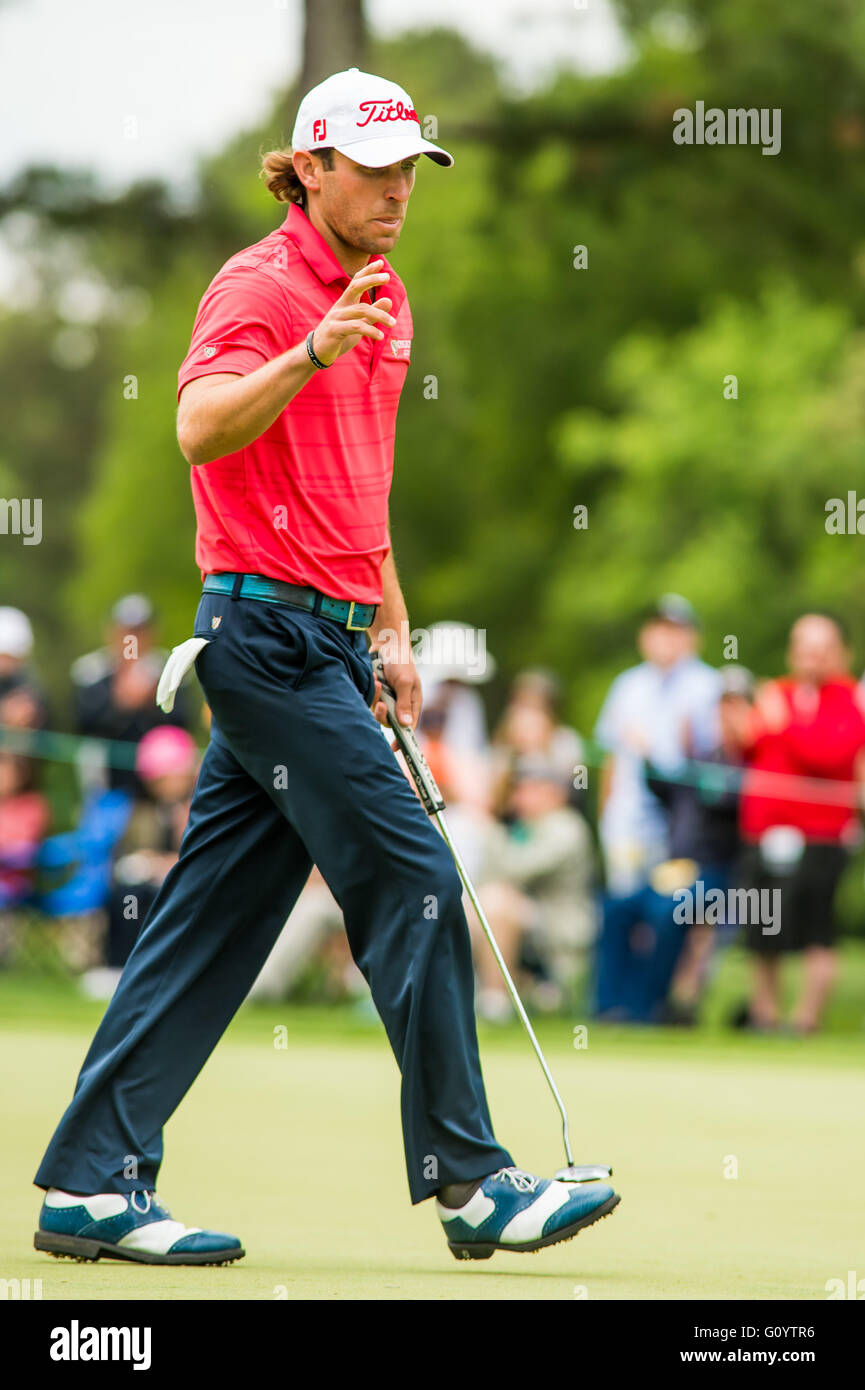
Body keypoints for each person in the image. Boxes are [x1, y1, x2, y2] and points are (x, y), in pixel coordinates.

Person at [33, 67, 618, 1266]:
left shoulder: (387, 296)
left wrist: (391, 636)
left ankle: (91, 1184)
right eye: (377, 165)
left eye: (413, 166)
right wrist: (305, 348)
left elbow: (366, 493)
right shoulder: (258, 287)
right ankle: (473, 1181)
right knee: (414, 874)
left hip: (334, 641)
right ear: (310, 167)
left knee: (207, 927)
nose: (402, 187)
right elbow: (196, 428)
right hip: (260, 639)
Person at [731, 614, 865, 1034]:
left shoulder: (848, 699)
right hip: (764, 832)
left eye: (822, 647)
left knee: (814, 928)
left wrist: (783, 723)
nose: (812, 657)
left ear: (839, 651)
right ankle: (765, 1016)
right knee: (762, 925)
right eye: (805, 647)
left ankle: (805, 1021)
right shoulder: (778, 692)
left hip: (821, 835)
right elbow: (753, 750)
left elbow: (832, 755)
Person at [594, 595, 721, 896]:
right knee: (626, 904)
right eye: (659, 629)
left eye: (675, 630)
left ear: (692, 637)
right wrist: (605, 814)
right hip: (626, 821)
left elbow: (717, 761)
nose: (666, 638)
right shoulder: (627, 685)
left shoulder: (708, 685)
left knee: (673, 907)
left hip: (679, 824)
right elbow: (611, 759)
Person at [472, 757, 597, 1020]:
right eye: (519, 789)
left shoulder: (567, 826)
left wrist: (491, 827)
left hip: (558, 927)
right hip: (527, 921)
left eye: (532, 788)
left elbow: (517, 869)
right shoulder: (520, 828)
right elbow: (484, 878)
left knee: (496, 902)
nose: (521, 797)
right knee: (470, 904)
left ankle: (495, 1002)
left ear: (556, 793)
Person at [71, 594, 194, 795]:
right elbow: (82, 722)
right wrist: (118, 703)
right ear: (112, 632)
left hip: (160, 789)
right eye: (127, 631)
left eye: (139, 631)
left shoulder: (169, 669)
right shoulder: (90, 672)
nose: (132, 640)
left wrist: (151, 701)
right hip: (106, 785)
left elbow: (182, 720)